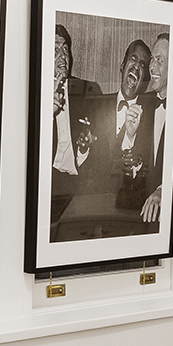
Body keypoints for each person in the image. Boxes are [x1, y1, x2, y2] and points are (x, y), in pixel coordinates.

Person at [49, 24, 99, 237]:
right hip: (48, 187)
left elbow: (101, 153)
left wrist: (84, 149)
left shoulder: (87, 91)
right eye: (55, 50)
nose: (63, 56)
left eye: (66, 49)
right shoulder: (30, 94)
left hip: (79, 187)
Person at [103, 38, 158, 219]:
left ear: (146, 79)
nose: (136, 66)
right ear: (122, 66)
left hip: (130, 211)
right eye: (133, 59)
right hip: (95, 205)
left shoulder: (153, 116)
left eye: (143, 64)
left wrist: (129, 136)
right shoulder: (96, 105)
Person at [141, 31, 171, 225]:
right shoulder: (143, 106)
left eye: (160, 60)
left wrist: (163, 189)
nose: (152, 66)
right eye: (152, 59)